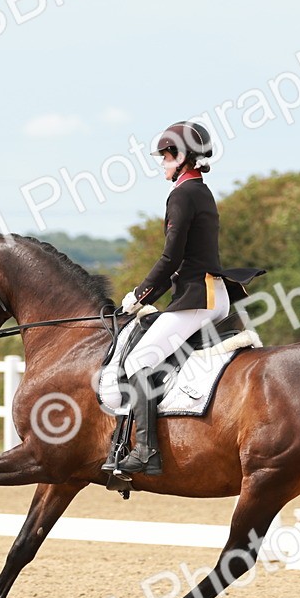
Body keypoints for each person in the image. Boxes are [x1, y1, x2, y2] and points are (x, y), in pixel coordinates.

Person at [105, 121, 242, 478]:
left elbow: (170, 258)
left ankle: (146, 451)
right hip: (210, 293)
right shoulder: (201, 191)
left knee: (137, 361)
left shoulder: (182, 195)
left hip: (199, 298)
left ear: (181, 156)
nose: (162, 163)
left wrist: (139, 295)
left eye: (165, 156)